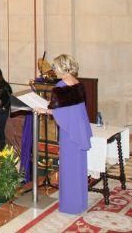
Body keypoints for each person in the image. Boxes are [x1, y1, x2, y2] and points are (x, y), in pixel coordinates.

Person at [38, 54, 92, 215]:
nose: (53, 70)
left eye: (55, 67)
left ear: (62, 67)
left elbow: (59, 112)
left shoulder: (61, 86)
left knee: (69, 169)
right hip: (80, 132)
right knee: (79, 168)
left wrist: (44, 110)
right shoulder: (78, 84)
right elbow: (77, 110)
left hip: (69, 134)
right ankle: (81, 202)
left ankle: (71, 206)